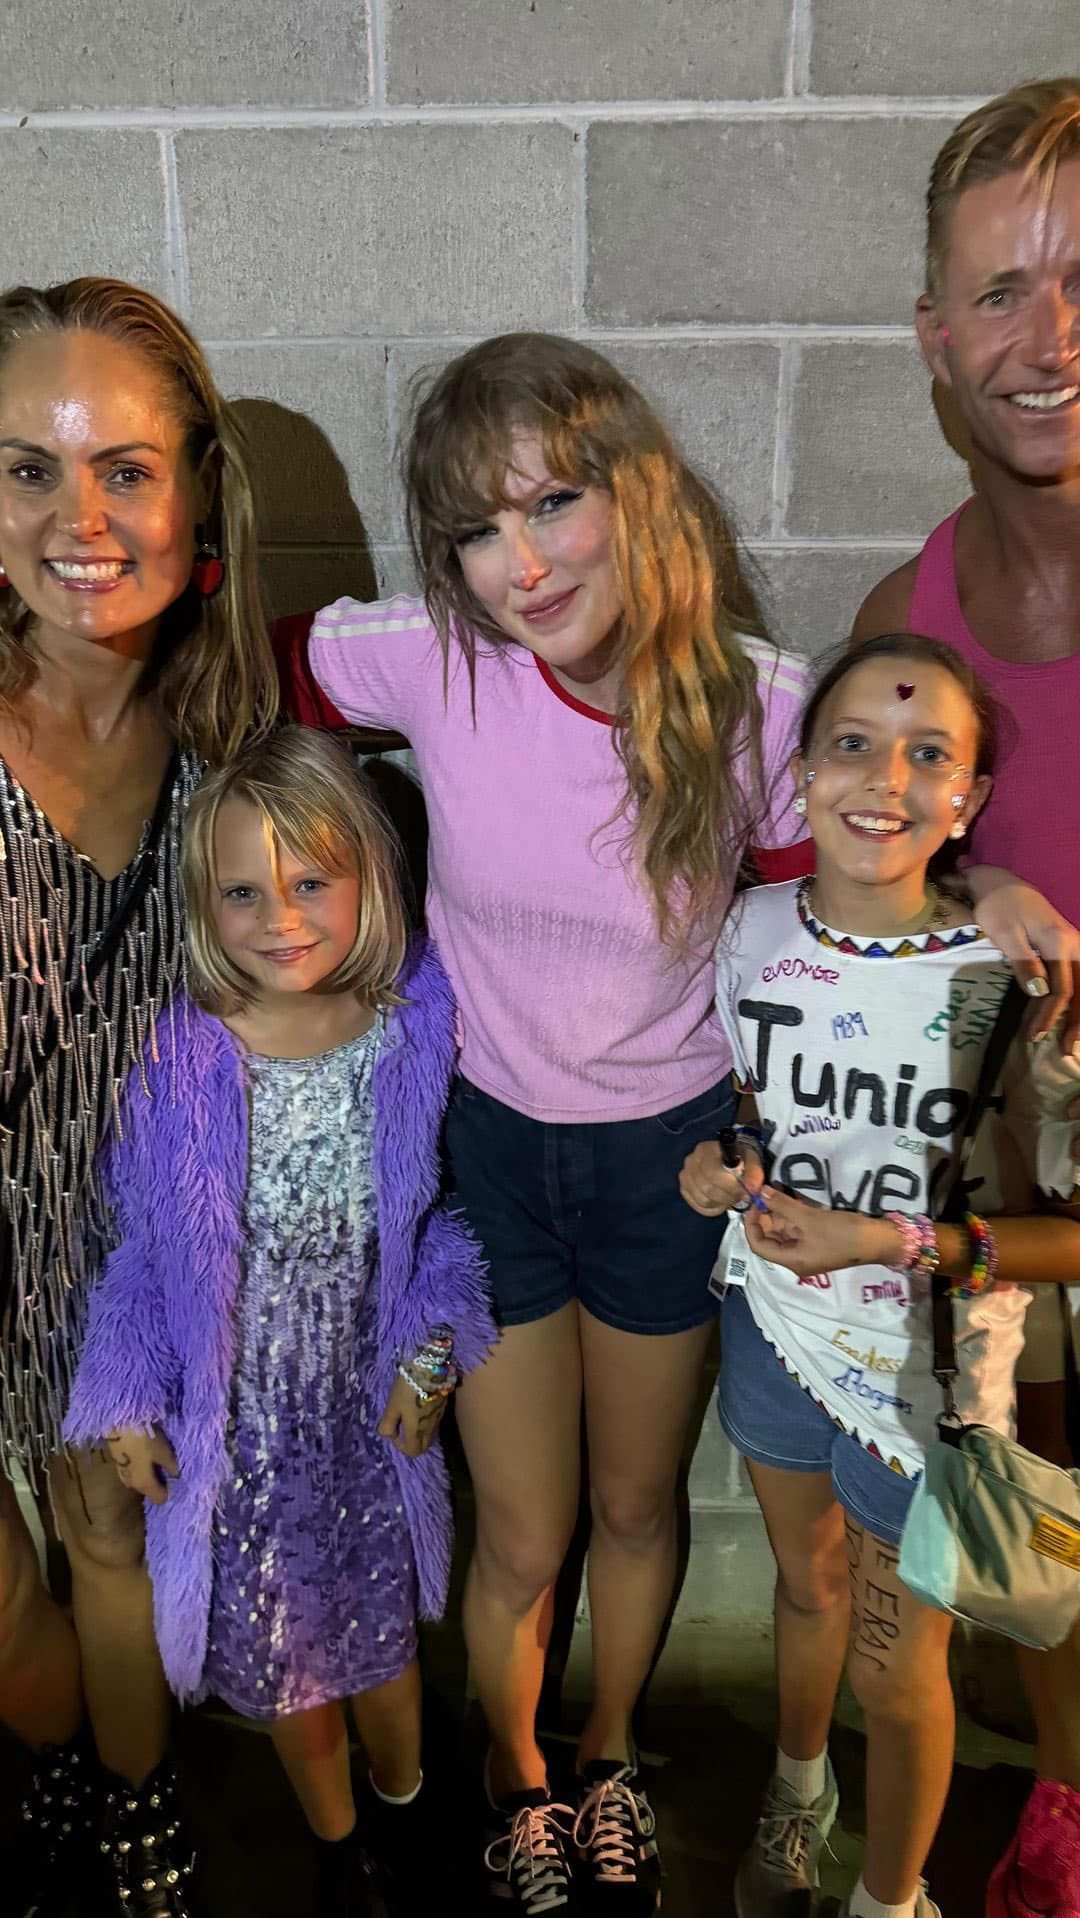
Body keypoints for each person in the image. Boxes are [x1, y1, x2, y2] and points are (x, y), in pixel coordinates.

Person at [274, 330, 816, 1913]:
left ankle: (610, 1756)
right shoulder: (440, 659)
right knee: (526, 1524)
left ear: (633, 487)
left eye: (553, 502)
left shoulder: (756, 704)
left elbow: (809, 928)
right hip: (492, 1151)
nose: (519, 563)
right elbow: (258, 656)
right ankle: (517, 1784)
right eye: (474, 530)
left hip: (671, 1159)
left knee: (640, 1506)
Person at [679, 633, 1080, 1918]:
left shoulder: (1010, 975)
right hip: (777, 1327)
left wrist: (886, 1243)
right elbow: (754, 1117)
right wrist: (722, 1170)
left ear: (966, 797)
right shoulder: (745, 931)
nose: (884, 777)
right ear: (798, 773)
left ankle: (891, 1898)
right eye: (851, 742)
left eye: (928, 755)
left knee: (900, 1675)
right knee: (809, 1588)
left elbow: (1069, 1235)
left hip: (933, 1371)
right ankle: (799, 1799)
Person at [64, 725, 494, 1915]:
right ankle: (339, 1849)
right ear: (206, 904)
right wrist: (125, 1398)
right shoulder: (182, 1060)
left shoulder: (415, 1031)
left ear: (368, 875)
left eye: (312, 882)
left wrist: (429, 1353)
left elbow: (449, 1231)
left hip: (364, 1428)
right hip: (241, 1447)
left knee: (388, 1650)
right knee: (292, 1672)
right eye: (243, 891)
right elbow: (143, 1259)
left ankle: (410, 1816)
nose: (280, 916)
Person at [0, 276, 278, 1917]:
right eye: (26, 466)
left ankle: (136, 1820)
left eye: (124, 467)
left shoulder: (239, 746)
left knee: (113, 1553)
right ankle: (69, 1776)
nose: (78, 517)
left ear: (195, 493)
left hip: (130, 1268)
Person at [853, 79, 1080, 1914]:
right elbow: (837, 889)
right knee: (1039, 1533)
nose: (1049, 332)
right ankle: (1068, 1797)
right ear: (934, 335)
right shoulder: (910, 613)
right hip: (1018, 1236)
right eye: (999, 288)